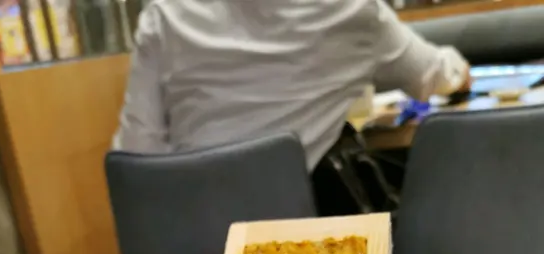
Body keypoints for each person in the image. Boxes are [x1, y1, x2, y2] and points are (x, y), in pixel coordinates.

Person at [113, 0, 470, 202]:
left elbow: (136, 155)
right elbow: (432, 75)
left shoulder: (163, 16)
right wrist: (460, 72)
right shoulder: (350, 9)